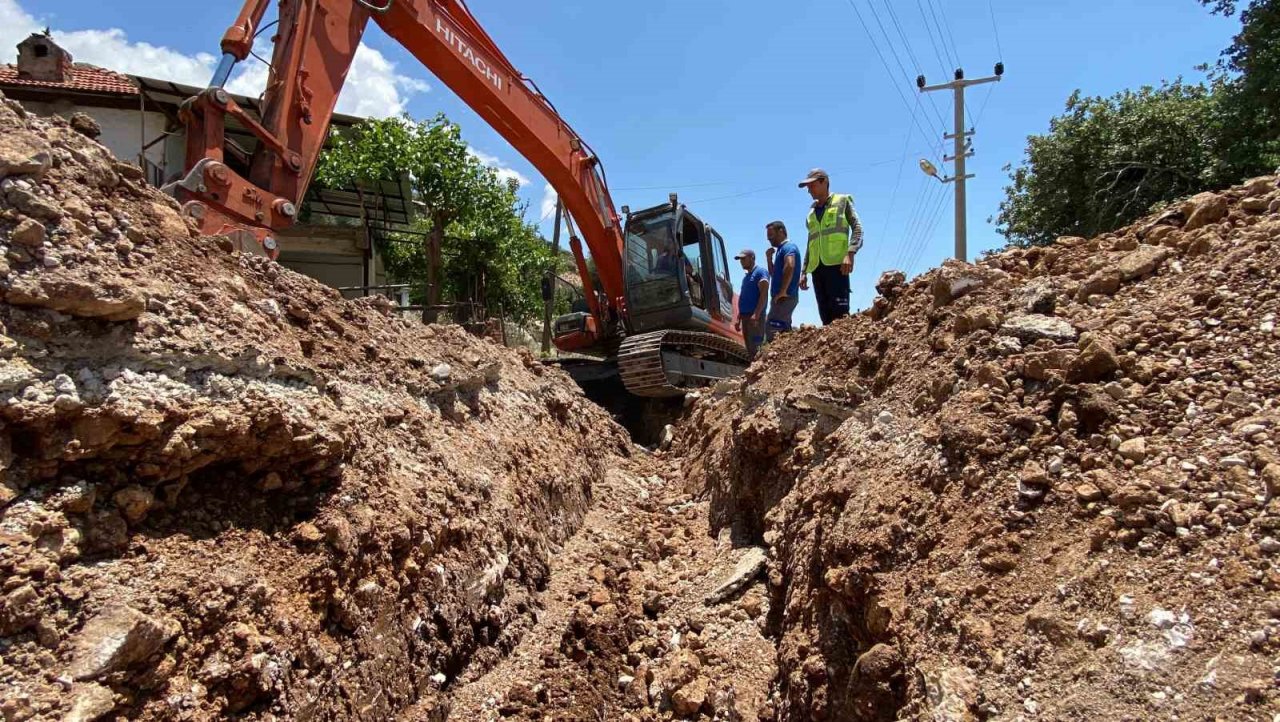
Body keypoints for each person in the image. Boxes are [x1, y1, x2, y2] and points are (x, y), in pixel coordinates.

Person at [796, 168, 864, 325]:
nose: (809, 191)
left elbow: (858, 228)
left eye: (811, 186)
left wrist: (850, 253)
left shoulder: (842, 201)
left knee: (840, 317)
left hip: (837, 267)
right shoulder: (811, 213)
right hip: (817, 269)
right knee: (825, 317)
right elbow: (811, 242)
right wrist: (804, 271)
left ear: (824, 182)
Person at [763, 220, 800, 341]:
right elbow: (774, 274)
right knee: (784, 331)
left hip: (784, 298)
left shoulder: (788, 247)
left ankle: (774, 359)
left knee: (772, 329)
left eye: (771, 236)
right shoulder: (780, 250)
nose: (769, 240)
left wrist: (783, 291)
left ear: (781, 231)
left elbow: (790, 265)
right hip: (782, 298)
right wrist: (769, 259)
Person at [733, 249, 769, 358]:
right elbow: (744, 298)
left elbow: (764, 295)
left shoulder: (760, 272)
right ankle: (754, 371)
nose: (741, 261)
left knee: (757, 348)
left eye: (744, 258)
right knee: (750, 349)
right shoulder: (746, 278)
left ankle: (762, 372)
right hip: (745, 318)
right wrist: (738, 318)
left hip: (755, 318)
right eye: (740, 259)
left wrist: (756, 314)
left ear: (752, 258)